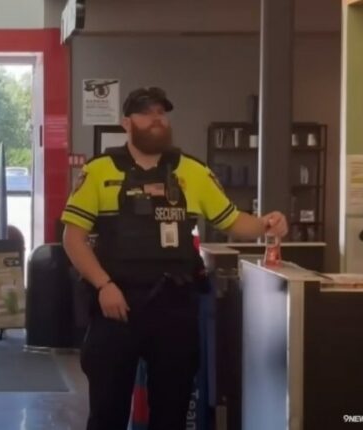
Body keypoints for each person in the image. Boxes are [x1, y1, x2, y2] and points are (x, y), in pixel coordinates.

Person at [61, 87, 288, 430]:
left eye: (161, 113)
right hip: (115, 304)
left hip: (174, 306)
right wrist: (103, 285)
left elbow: (231, 220)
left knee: (172, 410)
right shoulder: (99, 171)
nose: (156, 119)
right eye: (146, 113)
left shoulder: (193, 172)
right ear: (127, 122)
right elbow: (72, 238)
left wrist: (267, 224)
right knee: (107, 412)